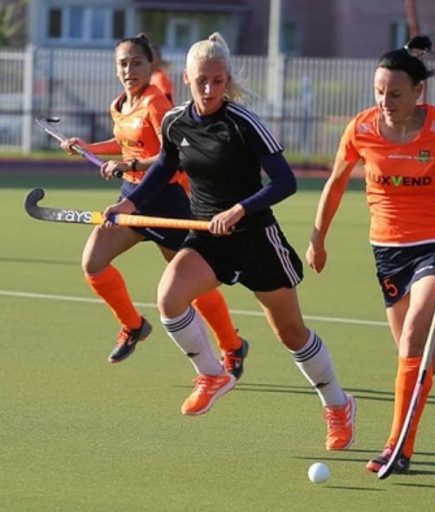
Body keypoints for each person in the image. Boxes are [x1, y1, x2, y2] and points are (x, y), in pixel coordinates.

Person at [101, 32, 355, 450]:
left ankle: (338, 406)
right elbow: (164, 167)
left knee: (292, 334)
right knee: (169, 299)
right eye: (201, 80)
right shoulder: (175, 122)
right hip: (207, 236)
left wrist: (240, 209)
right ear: (186, 78)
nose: (209, 89)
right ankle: (212, 374)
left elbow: (285, 182)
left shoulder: (243, 123)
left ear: (227, 79)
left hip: (256, 238)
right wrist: (129, 204)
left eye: (217, 81)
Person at [306, 35, 435, 473]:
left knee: (414, 340)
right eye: (379, 91)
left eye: (395, 94)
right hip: (386, 253)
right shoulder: (361, 128)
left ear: (419, 91)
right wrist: (317, 238)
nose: (385, 102)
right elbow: (336, 184)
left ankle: (398, 447)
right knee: (423, 359)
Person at [61, 33, 248, 377]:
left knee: (190, 283)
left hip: (165, 201)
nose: (129, 70)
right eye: (123, 63)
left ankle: (232, 346)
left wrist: (128, 164)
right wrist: (88, 147)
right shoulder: (119, 105)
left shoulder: (156, 103)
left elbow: (171, 157)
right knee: (93, 262)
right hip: (130, 199)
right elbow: (124, 141)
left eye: (137, 63)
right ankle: (133, 326)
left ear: (151, 66)